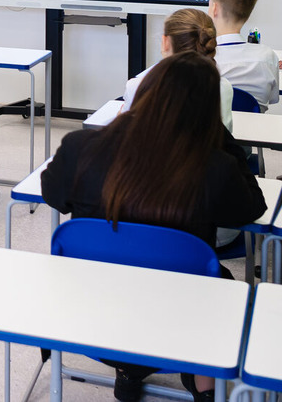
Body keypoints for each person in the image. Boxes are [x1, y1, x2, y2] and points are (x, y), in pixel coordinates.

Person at [42, 52, 265, 402]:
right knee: (221, 290)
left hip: (89, 311)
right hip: (182, 322)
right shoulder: (214, 167)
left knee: (122, 263)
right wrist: (219, 136)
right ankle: (206, 388)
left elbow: (53, 195)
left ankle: (129, 370)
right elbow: (251, 208)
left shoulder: (80, 147)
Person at [120, 8, 233, 131]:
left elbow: (127, 137)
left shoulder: (137, 87)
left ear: (165, 42)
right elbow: (226, 137)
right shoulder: (223, 87)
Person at [209, 0, 278, 110]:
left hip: (212, 129)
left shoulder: (203, 57)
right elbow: (273, 99)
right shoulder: (268, 56)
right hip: (254, 129)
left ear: (215, 9)